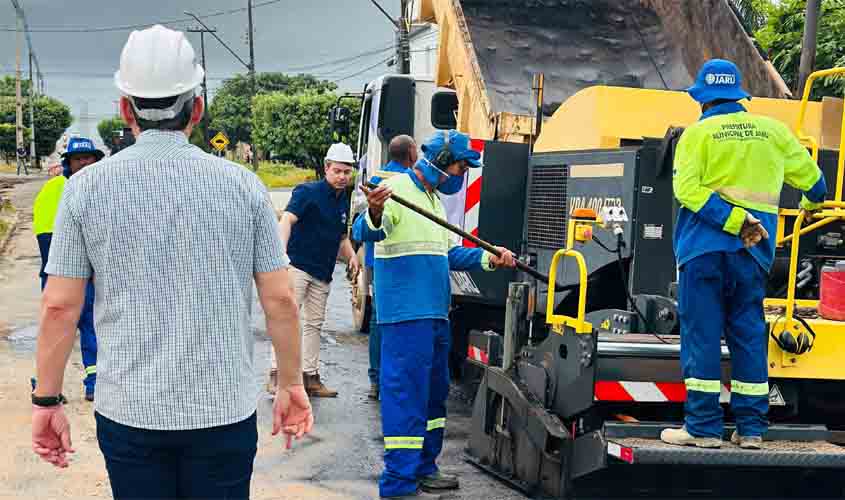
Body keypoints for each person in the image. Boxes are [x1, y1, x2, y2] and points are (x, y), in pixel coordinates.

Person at [30, 25, 312, 499]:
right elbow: (281, 299)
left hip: (130, 414)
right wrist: (290, 383)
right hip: (222, 412)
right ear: (196, 110)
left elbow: (59, 307)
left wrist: (47, 400)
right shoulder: (242, 186)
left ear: (125, 109)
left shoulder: (84, 190)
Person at [661, 59, 826, 450]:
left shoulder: (697, 136)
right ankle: (751, 430)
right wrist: (805, 204)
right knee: (749, 335)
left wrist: (733, 219)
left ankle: (702, 430)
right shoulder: (773, 132)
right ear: (739, 96)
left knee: (702, 336)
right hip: (753, 254)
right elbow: (816, 186)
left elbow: (687, 191)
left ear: (703, 100)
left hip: (702, 252)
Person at [360, 130, 517, 499]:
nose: (463, 174)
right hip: (405, 316)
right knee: (405, 397)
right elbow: (363, 231)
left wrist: (488, 257)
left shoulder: (432, 201)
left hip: (435, 313)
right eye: (461, 167)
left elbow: (449, 254)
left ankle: (424, 468)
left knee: (433, 397)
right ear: (442, 162)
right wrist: (376, 210)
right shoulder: (395, 189)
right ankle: (398, 483)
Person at [268, 142, 359, 398]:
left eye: (346, 172)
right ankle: (276, 376)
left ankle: (310, 377)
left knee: (314, 325)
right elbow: (286, 219)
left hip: (323, 271)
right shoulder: (307, 192)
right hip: (297, 266)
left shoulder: (343, 199)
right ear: (326, 168)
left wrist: (352, 257)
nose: (342, 177)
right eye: (338, 171)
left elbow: (341, 237)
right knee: (287, 320)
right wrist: (281, 254)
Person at [32, 136, 104, 402]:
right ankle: (48, 385)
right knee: (65, 326)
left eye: (88, 158)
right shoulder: (64, 191)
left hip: (63, 271)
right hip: (64, 272)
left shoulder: (89, 188)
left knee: (77, 327)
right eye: (79, 159)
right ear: (68, 164)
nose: (84, 163)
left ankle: (91, 381)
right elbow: (46, 235)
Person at [352, 134, 417, 400]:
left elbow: (361, 222)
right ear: (412, 154)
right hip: (407, 259)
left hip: (378, 261)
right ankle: (400, 377)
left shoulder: (376, 179)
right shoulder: (411, 183)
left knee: (380, 320)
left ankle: (377, 379)